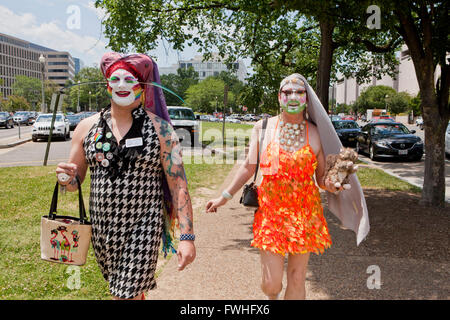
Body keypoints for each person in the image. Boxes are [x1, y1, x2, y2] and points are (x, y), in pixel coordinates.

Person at [206, 73, 369, 300]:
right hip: (270, 212)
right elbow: (247, 166)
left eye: (299, 92)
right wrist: (224, 196)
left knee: (296, 277)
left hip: (305, 214)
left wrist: (334, 184)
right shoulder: (262, 128)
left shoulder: (316, 132)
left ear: (306, 98)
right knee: (271, 284)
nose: (293, 96)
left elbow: (321, 179)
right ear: (279, 96)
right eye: (287, 92)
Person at [56, 52, 196, 300]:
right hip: (103, 232)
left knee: (124, 295)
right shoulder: (86, 128)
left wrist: (186, 237)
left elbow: (178, 186)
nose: (122, 86)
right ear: (107, 84)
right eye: (116, 79)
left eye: (129, 80)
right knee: (125, 292)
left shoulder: (161, 130)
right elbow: (74, 184)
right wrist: (66, 178)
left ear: (142, 88)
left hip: (144, 228)